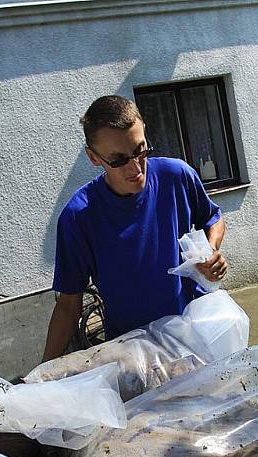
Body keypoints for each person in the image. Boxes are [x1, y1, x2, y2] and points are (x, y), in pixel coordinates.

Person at [43, 95, 228, 361]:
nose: (135, 167)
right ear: (93, 157)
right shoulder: (78, 216)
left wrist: (210, 252)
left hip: (195, 336)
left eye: (140, 151)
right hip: (133, 354)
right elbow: (68, 305)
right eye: (118, 160)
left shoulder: (176, 176)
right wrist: (42, 375)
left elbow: (213, 218)